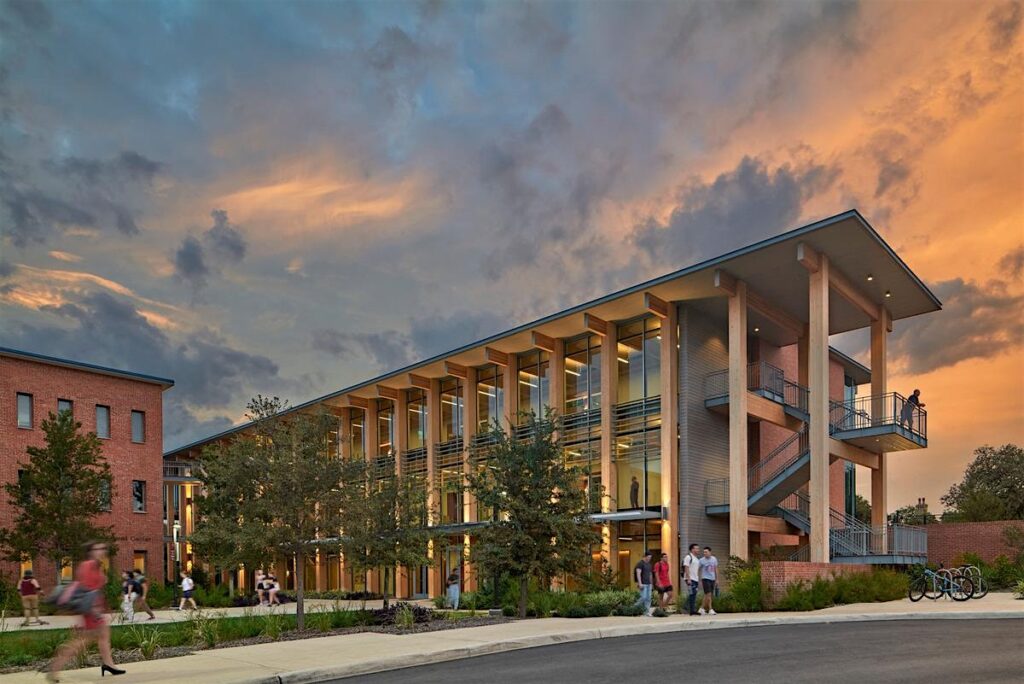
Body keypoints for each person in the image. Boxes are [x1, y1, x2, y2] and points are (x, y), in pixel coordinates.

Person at [47, 541, 126, 680]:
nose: (102, 551)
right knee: (82, 641)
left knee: (103, 636)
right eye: (98, 548)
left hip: (95, 608)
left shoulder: (97, 566)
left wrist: (105, 609)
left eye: (103, 548)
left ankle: (109, 664)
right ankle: (55, 668)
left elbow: (98, 591)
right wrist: (95, 611)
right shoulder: (88, 565)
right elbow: (87, 590)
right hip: (91, 610)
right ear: (90, 552)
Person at [698, 546, 718, 616]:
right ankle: (710, 609)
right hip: (705, 578)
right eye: (704, 552)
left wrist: (717, 579)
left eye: (706, 552)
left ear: (710, 552)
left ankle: (701, 608)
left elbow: (716, 569)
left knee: (708, 594)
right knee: (708, 594)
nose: (705, 553)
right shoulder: (701, 560)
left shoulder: (714, 559)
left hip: (712, 578)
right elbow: (697, 568)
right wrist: (698, 578)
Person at [682, 543, 701, 616]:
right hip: (690, 578)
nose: (698, 550)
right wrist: (688, 578)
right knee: (692, 593)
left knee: (693, 594)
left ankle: (689, 608)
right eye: (696, 548)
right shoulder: (688, 557)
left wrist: (698, 579)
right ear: (692, 549)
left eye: (698, 548)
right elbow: (686, 567)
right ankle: (690, 609)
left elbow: (696, 570)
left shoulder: (696, 559)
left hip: (695, 579)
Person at [633, 550, 653, 616]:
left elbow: (650, 574)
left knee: (648, 598)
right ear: (645, 556)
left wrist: (651, 583)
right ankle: (634, 608)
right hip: (643, 583)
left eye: (650, 557)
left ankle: (646, 612)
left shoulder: (649, 565)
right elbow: (638, 573)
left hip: (649, 584)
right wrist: (640, 583)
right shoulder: (640, 564)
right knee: (643, 597)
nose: (649, 559)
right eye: (649, 557)